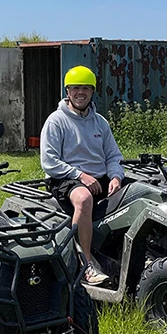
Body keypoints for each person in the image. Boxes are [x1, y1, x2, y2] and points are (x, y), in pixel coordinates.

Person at [40, 65, 125, 286]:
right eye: (75, 88)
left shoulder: (100, 122)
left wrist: (116, 176)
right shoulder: (56, 121)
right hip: (67, 179)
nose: (81, 92)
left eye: (86, 88)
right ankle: (85, 264)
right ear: (67, 91)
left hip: (99, 179)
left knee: (140, 193)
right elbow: (49, 162)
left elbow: (114, 156)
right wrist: (81, 175)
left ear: (92, 91)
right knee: (84, 199)